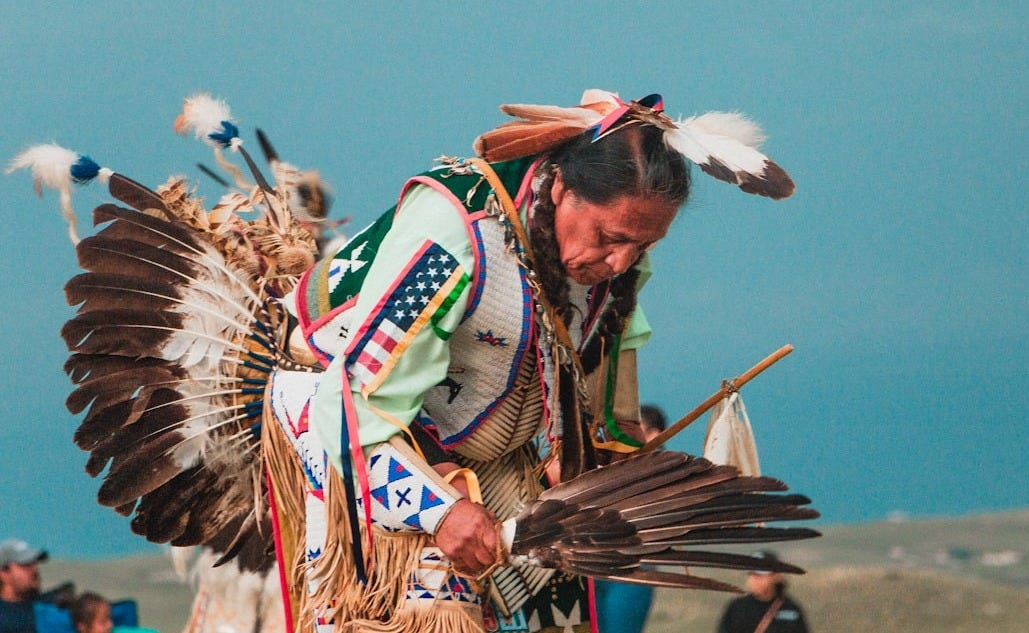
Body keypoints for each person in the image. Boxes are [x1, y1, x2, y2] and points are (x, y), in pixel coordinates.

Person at [266, 90, 795, 633]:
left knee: (550, 594)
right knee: (428, 611)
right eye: (610, 237)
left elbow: (608, 381)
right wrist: (438, 510)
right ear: (561, 189)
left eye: (642, 245)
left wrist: (604, 460)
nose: (622, 260)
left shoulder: (616, 263)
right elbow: (349, 406)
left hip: (487, 450)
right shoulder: (453, 234)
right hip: (348, 421)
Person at [593, 405, 667, 633]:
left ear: (653, 435)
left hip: (634, 565)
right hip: (594, 562)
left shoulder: (664, 472)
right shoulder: (609, 461)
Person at [716, 551, 810, 633]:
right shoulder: (736, 608)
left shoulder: (791, 609)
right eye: (752, 574)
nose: (754, 580)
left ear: (776, 576)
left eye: (760, 575)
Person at [0, 539, 49, 633]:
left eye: (34, 563)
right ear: (4, 573)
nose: (34, 569)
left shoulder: (49, 610)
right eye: (25, 565)